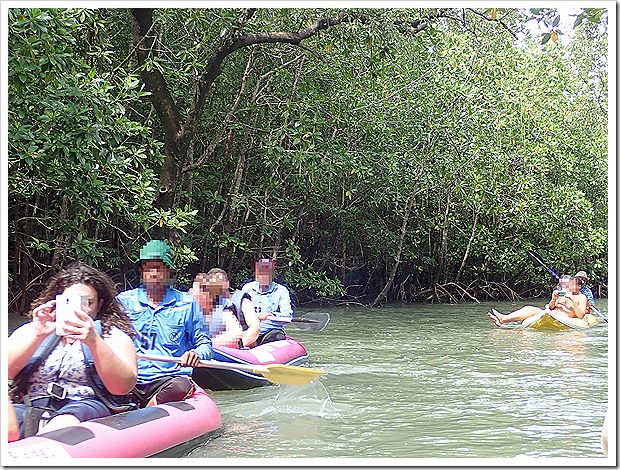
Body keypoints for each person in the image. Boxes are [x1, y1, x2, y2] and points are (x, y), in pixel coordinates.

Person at [8, 262, 137, 438]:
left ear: (99, 305)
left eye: (87, 302)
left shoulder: (112, 336)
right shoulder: (34, 329)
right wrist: (37, 335)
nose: (79, 308)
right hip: (33, 403)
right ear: (57, 301)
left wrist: (94, 342)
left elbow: (122, 387)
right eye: (69, 301)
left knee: (65, 421)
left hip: (85, 405)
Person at [117, 239, 213, 408]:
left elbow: (205, 345)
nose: (154, 273)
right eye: (148, 267)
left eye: (159, 267)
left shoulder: (187, 304)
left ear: (169, 271)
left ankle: (149, 407)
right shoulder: (124, 302)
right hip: (131, 377)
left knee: (181, 386)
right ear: (141, 270)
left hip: (168, 379)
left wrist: (196, 354)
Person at [487, 276, 588, 326]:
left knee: (532, 311)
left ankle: (503, 319)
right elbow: (551, 307)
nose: (569, 286)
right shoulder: (563, 293)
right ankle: (503, 319)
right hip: (551, 313)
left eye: (572, 284)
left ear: (579, 286)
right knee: (528, 308)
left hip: (564, 318)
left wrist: (572, 301)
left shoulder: (581, 297)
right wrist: (553, 299)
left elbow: (580, 315)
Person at [241, 258, 293, 345]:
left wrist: (272, 314)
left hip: (270, 331)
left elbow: (287, 315)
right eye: (261, 273)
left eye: (267, 273)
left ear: (272, 274)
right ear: (256, 273)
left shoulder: (281, 291)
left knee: (277, 337)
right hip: (249, 330)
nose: (264, 276)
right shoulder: (247, 288)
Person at [189, 270, 244, 348]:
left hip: (218, 354)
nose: (190, 292)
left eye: (195, 290)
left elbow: (235, 334)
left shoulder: (223, 310)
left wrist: (206, 344)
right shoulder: (189, 310)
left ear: (207, 294)